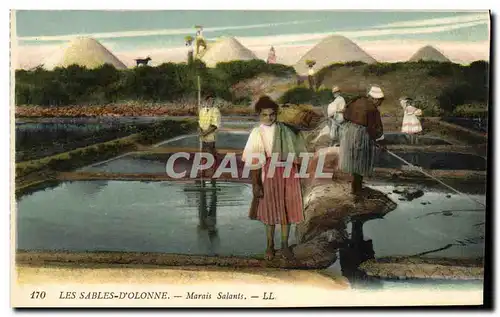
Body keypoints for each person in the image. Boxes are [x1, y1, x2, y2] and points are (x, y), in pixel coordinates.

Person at [242, 96, 307, 261]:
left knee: (287, 209)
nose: (269, 118)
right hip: (269, 173)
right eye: (265, 115)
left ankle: (284, 245)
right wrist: (256, 184)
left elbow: (298, 149)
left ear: (276, 114)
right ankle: (270, 245)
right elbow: (254, 160)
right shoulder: (257, 133)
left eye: (272, 114)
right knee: (270, 211)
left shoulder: (285, 129)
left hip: (288, 172)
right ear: (259, 115)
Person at [339, 85, 386, 196]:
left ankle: (355, 187)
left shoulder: (356, 101)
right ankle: (357, 189)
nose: (380, 104)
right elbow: (375, 128)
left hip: (349, 133)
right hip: (361, 135)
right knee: (361, 160)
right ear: (375, 99)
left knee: (353, 160)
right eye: (380, 102)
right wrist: (381, 142)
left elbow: (345, 116)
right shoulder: (372, 109)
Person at [198, 94, 221, 175]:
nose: (211, 102)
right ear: (206, 101)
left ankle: (213, 172)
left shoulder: (215, 110)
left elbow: (214, 125)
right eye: (209, 100)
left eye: (212, 100)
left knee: (210, 154)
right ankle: (203, 172)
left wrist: (205, 133)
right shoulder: (202, 110)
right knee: (203, 154)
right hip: (202, 138)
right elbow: (200, 123)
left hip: (211, 137)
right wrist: (200, 131)